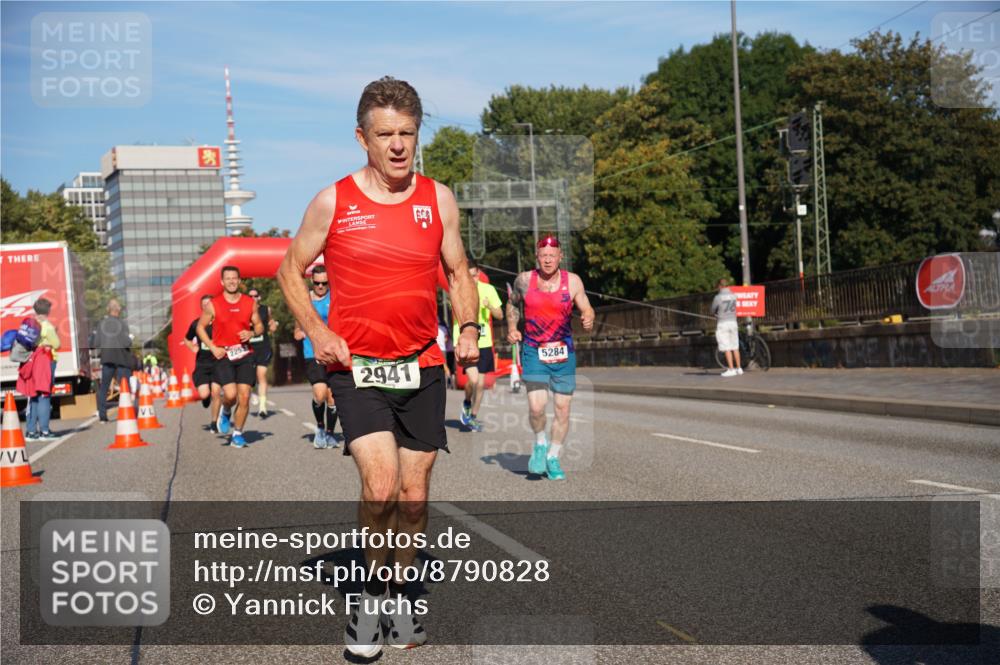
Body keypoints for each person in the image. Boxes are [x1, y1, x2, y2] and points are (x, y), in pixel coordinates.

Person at [277, 76, 478, 657]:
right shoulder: (333, 201)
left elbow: (459, 269)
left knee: (413, 496)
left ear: (418, 135)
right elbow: (291, 269)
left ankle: (402, 591)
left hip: (422, 365)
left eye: (407, 134)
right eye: (385, 134)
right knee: (381, 483)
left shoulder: (437, 198)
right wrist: (318, 332)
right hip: (357, 367)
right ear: (361, 137)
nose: (397, 145)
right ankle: (368, 602)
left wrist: (467, 326)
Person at [506, 235, 594, 481]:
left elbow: (586, 307)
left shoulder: (573, 281)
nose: (547, 260)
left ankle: (553, 456)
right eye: (543, 256)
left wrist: (588, 317)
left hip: (564, 353)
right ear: (537, 257)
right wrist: (512, 327)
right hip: (534, 350)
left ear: (560, 257)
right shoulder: (524, 280)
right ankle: (540, 443)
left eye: (552, 256)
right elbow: (512, 304)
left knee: (563, 410)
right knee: (536, 408)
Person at [196, 266, 263, 448]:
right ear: (222, 282)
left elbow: (259, 326)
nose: (232, 281)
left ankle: (238, 433)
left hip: (244, 353)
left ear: (239, 281)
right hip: (223, 354)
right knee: (231, 395)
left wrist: (251, 333)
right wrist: (212, 347)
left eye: (235, 278)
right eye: (228, 279)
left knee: (245, 396)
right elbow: (200, 328)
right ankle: (225, 410)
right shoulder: (213, 304)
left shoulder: (250, 302)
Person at [452, 258, 502, 432]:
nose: (472, 280)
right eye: (469, 276)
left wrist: (490, 307)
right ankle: (467, 401)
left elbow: (500, 315)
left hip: (485, 342)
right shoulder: (459, 290)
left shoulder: (488, 289)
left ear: (479, 273)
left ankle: (472, 416)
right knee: (473, 380)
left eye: (474, 276)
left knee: (481, 385)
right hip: (467, 340)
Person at [292, 265, 339, 449]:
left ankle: (330, 434)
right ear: (312, 281)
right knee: (320, 394)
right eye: (317, 283)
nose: (320, 286)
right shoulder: (305, 300)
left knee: (332, 398)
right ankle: (320, 428)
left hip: (333, 353)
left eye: (324, 283)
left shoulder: (335, 298)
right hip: (312, 353)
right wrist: (297, 332)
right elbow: (298, 325)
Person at [22, 298, 60, 440]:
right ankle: (45, 431)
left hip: (33, 362)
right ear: (48, 311)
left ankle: (31, 431)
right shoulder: (48, 326)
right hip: (46, 362)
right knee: (45, 396)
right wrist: (53, 335)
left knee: (33, 396)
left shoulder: (31, 325)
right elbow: (56, 344)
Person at [183, 294, 222, 429]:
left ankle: (214, 422)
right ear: (201, 307)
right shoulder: (196, 324)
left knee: (216, 392)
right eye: (204, 304)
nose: (206, 306)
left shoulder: (220, 322)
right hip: (202, 364)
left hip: (218, 363)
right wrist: (192, 346)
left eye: (209, 303)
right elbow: (187, 339)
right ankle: (206, 398)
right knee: (204, 394)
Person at [91, 299, 134, 423]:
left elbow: (96, 343)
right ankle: (128, 412)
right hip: (121, 358)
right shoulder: (122, 324)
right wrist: (130, 339)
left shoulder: (101, 324)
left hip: (107, 357)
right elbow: (127, 342)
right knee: (124, 386)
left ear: (108, 310)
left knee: (104, 387)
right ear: (118, 310)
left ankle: (103, 416)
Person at [247, 287, 279, 417]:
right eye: (250, 296)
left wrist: (273, 325)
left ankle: (262, 407)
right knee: (249, 378)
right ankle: (253, 393)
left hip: (263, 347)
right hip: (248, 348)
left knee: (261, 375)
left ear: (259, 297)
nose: (253, 298)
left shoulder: (266, 309)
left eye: (255, 296)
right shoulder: (243, 310)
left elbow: (271, 322)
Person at [711, 277, 742, 377]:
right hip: (733, 322)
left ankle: (731, 369)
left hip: (723, 323)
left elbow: (712, 310)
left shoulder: (718, 297)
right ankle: (739, 368)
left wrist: (716, 314)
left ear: (720, 286)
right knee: (735, 346)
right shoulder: (734, 296)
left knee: (727, 347)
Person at [436, 320, 453, 388]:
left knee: (439, 366)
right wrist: (443, 343)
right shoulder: (444, 328)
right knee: (444, 365)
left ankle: (445, 382)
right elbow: (446, 338)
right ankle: (449, 380)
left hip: (436, 348)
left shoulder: (434, 327)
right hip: (443, 349)